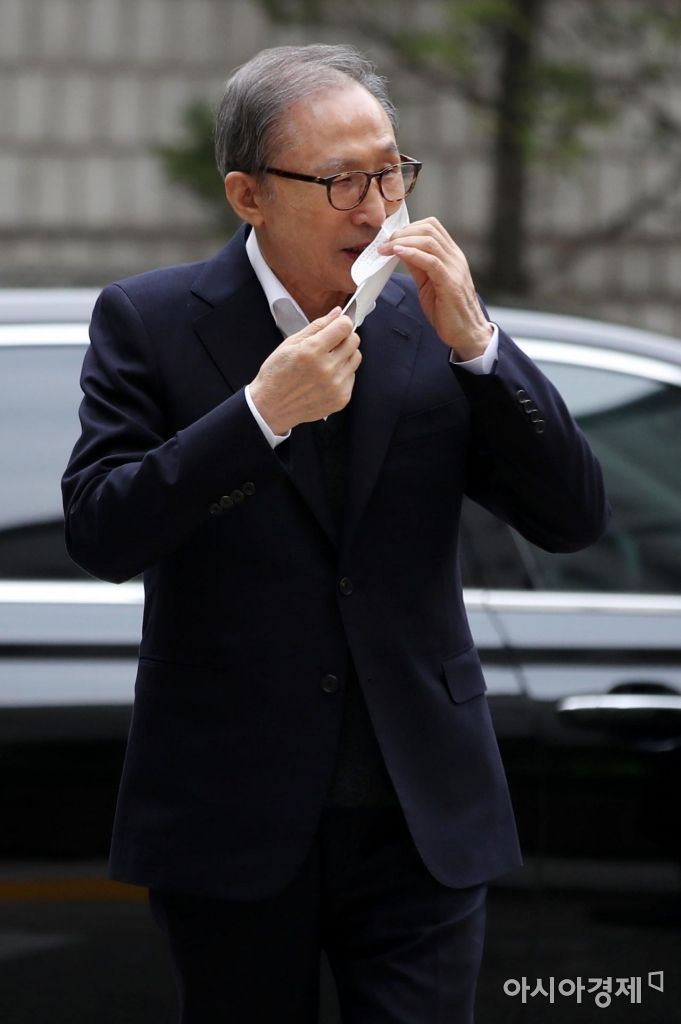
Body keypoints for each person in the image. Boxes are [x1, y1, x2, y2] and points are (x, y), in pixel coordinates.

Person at [62, 43, 609, 1024]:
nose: (376, 206)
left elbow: (573, 518)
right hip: (229, 809)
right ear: (249, 196)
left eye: (392, 172)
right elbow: (102, 531)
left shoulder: (433, 322)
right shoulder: (149, 319)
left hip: (421, 811)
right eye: (342, 180)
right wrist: (258, 415)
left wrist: (480, 345)